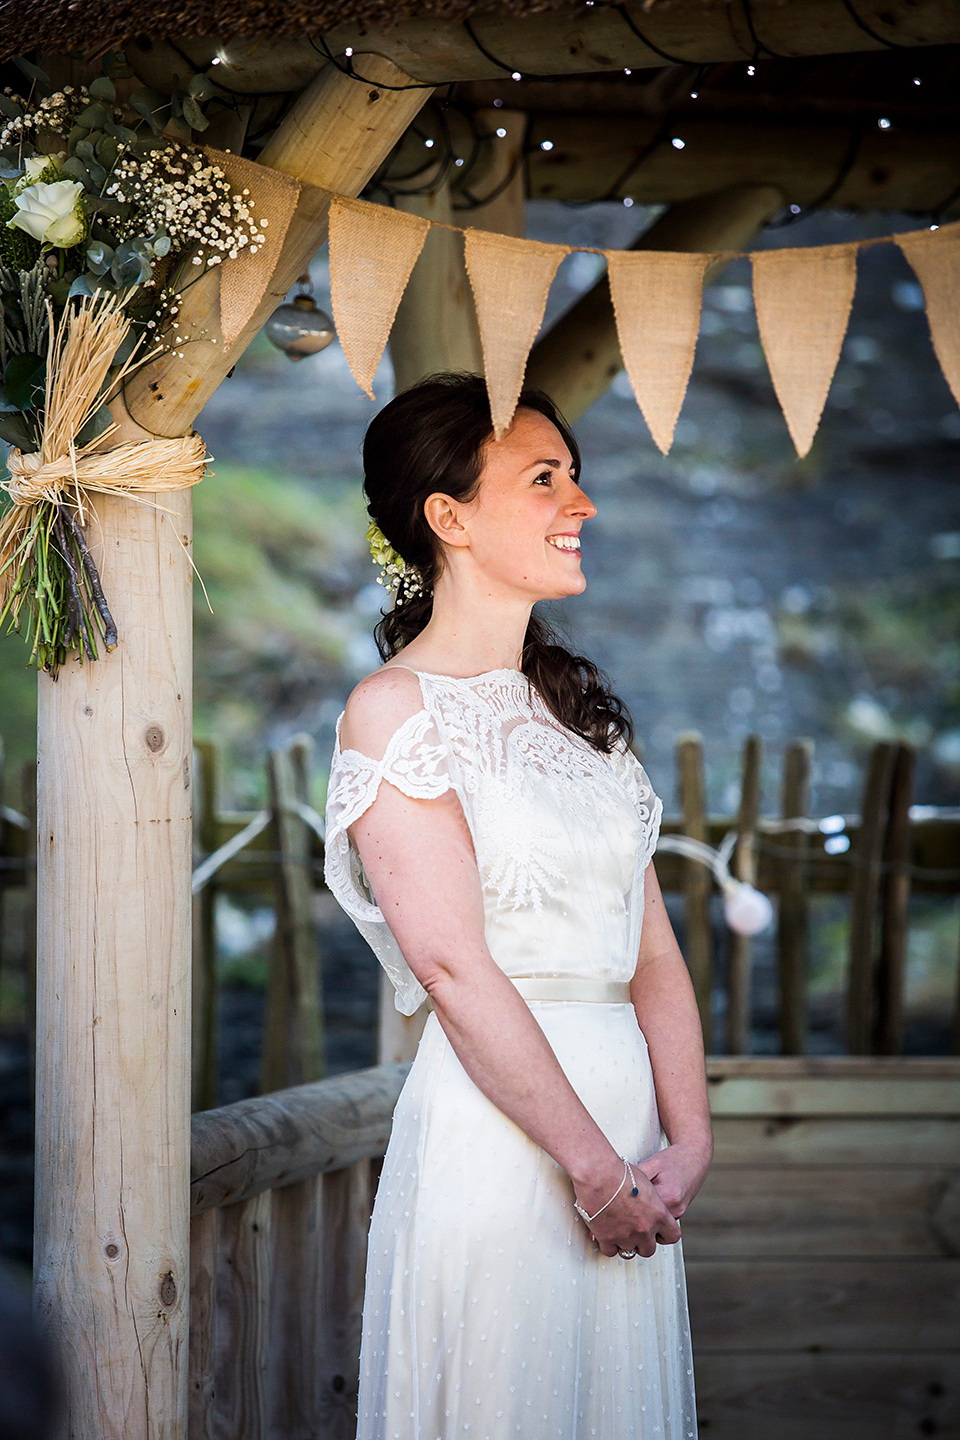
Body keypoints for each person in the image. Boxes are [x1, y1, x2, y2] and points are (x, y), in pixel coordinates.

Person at [324, 373, 712, 1440]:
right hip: (510, 1148)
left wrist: (686, 1145)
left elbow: (655, 960)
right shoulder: (394, 712)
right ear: (446, 518)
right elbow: (450, 966)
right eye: (544, 481)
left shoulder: (583, 720)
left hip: (632, 1154)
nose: (580, 505)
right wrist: (592, 1172)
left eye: (576, 479)